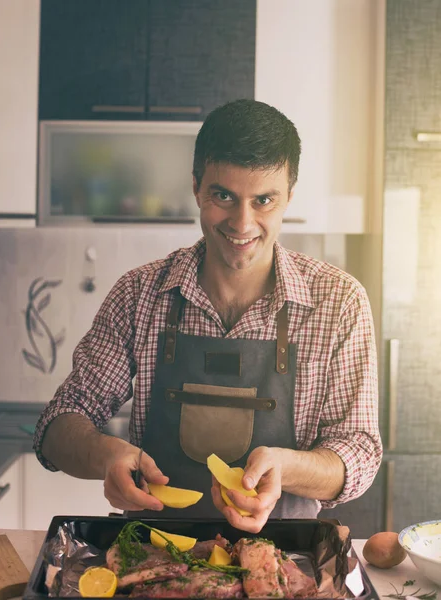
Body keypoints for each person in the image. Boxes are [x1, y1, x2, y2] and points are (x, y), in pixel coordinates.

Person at [33, 99, 382, 533]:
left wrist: (285, 467)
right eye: (223, 196)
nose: (242, 222)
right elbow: (60, 419)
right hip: (150, 558)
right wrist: (104, 455)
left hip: (285, 567)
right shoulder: (140, 294)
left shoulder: (339, 302)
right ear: (196, 187)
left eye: (264, 200)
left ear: (289, 197)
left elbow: (360, 455)